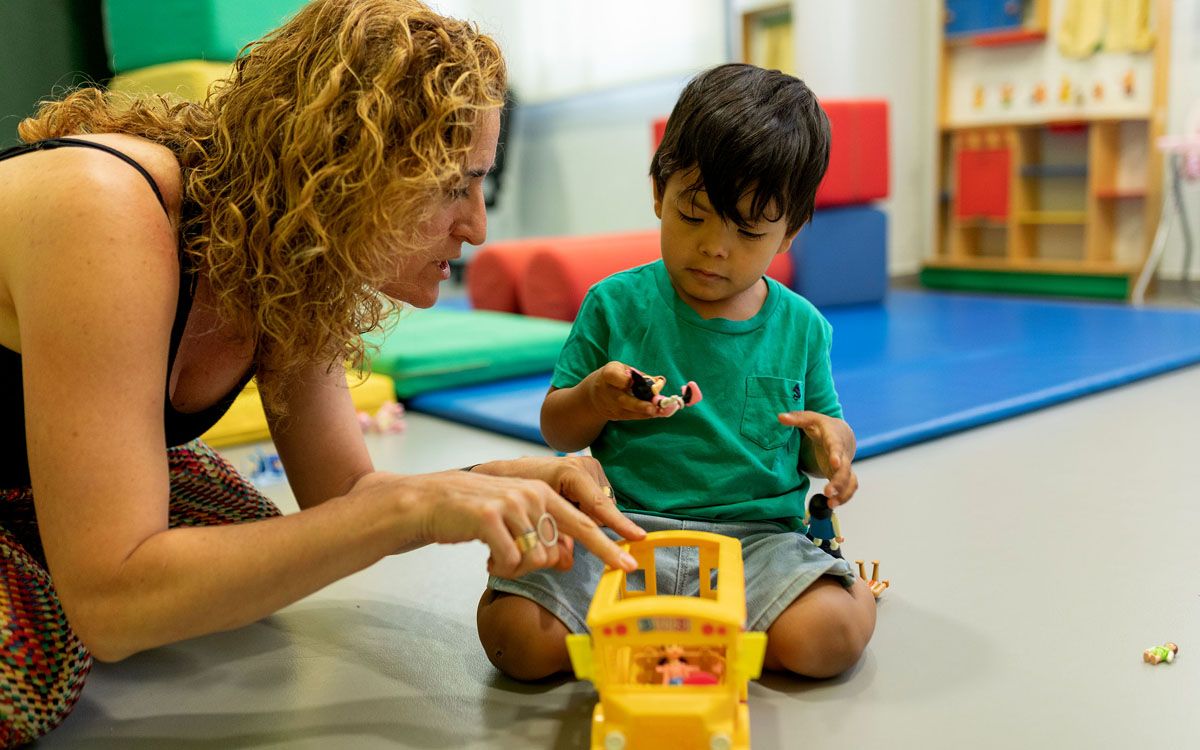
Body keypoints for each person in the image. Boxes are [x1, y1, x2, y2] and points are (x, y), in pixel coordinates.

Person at [0, 0, 643, 745]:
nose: (477, 226)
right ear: (348, 168)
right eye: (450, 187)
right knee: (33, 669)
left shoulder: (291, 254)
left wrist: (500, 480)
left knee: (241, 540)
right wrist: (106, 578)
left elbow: (346, 493)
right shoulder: (106, 209)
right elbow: (111, 610)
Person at [476, 63, 877, 681]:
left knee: (832, 636)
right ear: (659, 192)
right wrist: (594, 399)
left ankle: (832, 594)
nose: (716, 246)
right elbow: (558, 431)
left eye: (748, 230)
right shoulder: (614, 304)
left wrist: (836, 449)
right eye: (694, 215)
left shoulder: (802, 327)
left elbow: (820, 448)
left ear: (790, 231)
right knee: (515, 642)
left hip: (755, 541)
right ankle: (700, 628)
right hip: (621, 526)